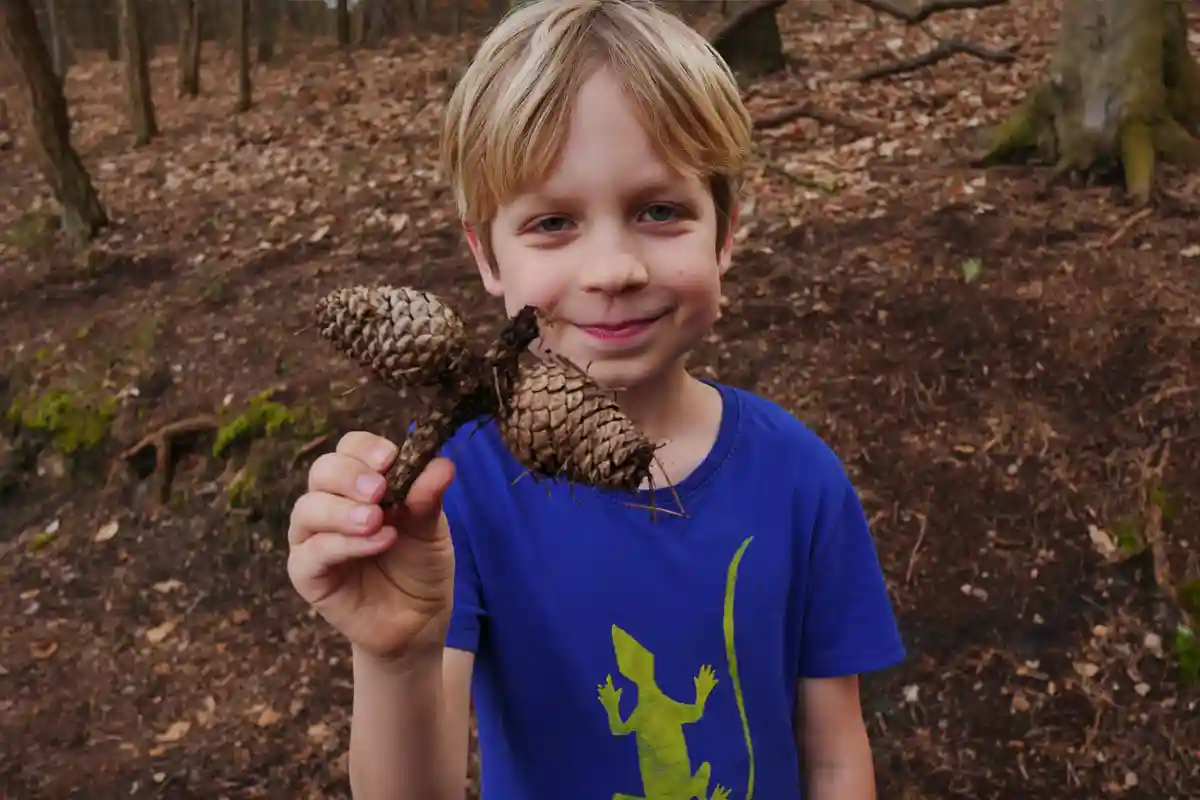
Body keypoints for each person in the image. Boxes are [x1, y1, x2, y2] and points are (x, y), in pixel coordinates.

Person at [286, 1, 906, 798]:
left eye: (659, 210)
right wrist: (394, 656)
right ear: (487, 255)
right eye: (552, 222)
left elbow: (832, 752)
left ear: (725, 230)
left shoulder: (802, 482)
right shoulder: (446, 496)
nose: (612, 268)